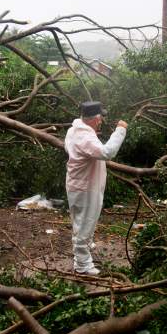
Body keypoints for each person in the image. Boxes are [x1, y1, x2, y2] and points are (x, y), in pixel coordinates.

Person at [64, 101, 128, 276]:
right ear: (94, 119)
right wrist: (120, 130)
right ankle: (82, 264)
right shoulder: (85, 137)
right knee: (85, 223)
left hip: (79, 184)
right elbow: (107, 152)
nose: (101, 122)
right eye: (100, 118)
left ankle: (85, 246)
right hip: (85, 188)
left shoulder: (74, 131)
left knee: (82, 222)